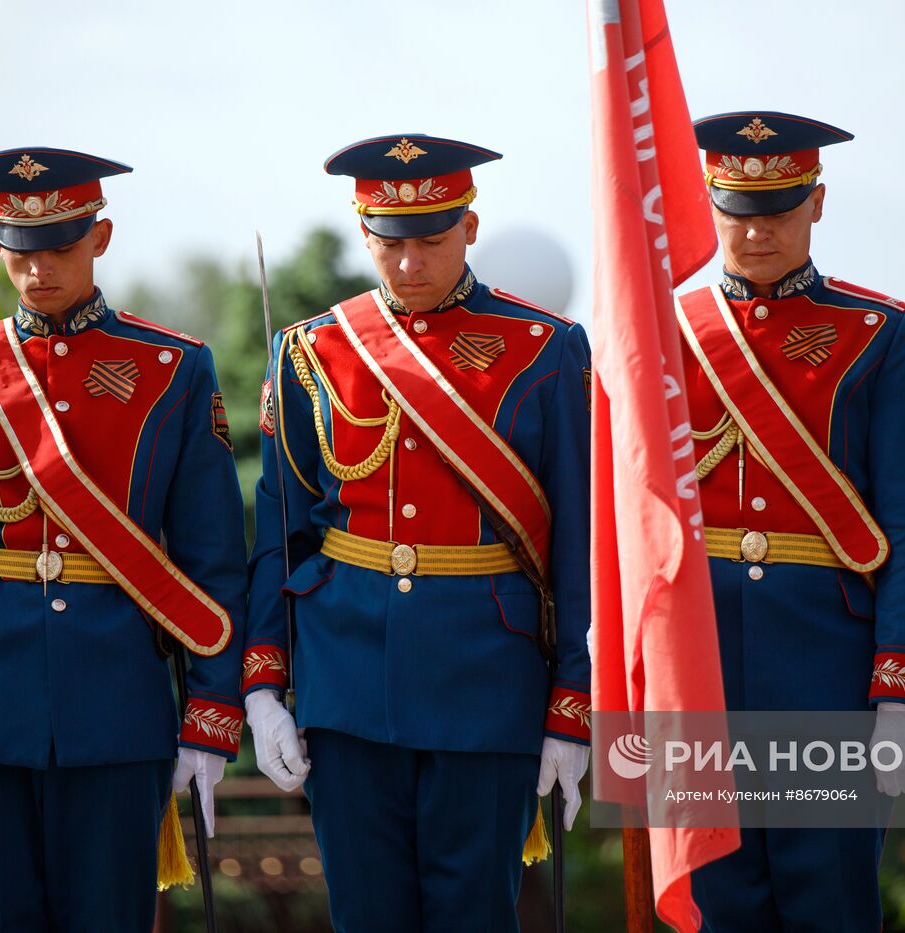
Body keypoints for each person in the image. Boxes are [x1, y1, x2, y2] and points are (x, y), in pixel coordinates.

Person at [0, 148, 248, 931]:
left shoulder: (171, 368)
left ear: (101, 236)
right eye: (22, 251)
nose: (39, 270)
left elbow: (213, 554)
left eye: (60, 247)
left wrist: (212, 712)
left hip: (119, 699)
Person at [242, 134, 591, 932]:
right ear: (364, 233)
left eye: (431, 240)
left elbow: (578, 542)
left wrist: (573, 700)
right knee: (365, 914)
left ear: (470, 227)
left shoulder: (545, 349)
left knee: (475, 913)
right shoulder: (309, 351)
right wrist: (263, 685)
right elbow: (280, 532)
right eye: (390, 243)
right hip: (347, 678)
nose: (407, 264)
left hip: (488, 681)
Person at [678, 111, 905, 932]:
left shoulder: (879, 333)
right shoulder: (666, 337)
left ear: (817, 202)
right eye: (737, 206)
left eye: (779, 205)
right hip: (698, 678)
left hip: (830, 675)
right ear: (710, 204)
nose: (757, 227)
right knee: (713, 907)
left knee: (829, 906)